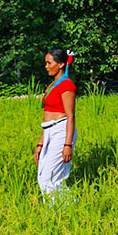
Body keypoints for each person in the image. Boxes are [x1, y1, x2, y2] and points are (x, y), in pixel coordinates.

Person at [35, 49, 77, 198]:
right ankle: (53, 212)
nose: (46, 66)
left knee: (50, 178)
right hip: (49, 131)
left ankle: (68, 208)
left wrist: (68, 145)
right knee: (42, 177)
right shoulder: (52, 85)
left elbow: (70, 117)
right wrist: (41, 144)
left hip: (61, 131)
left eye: (49, 63)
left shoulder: (67, 85)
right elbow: (46, 118)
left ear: (60, 64)